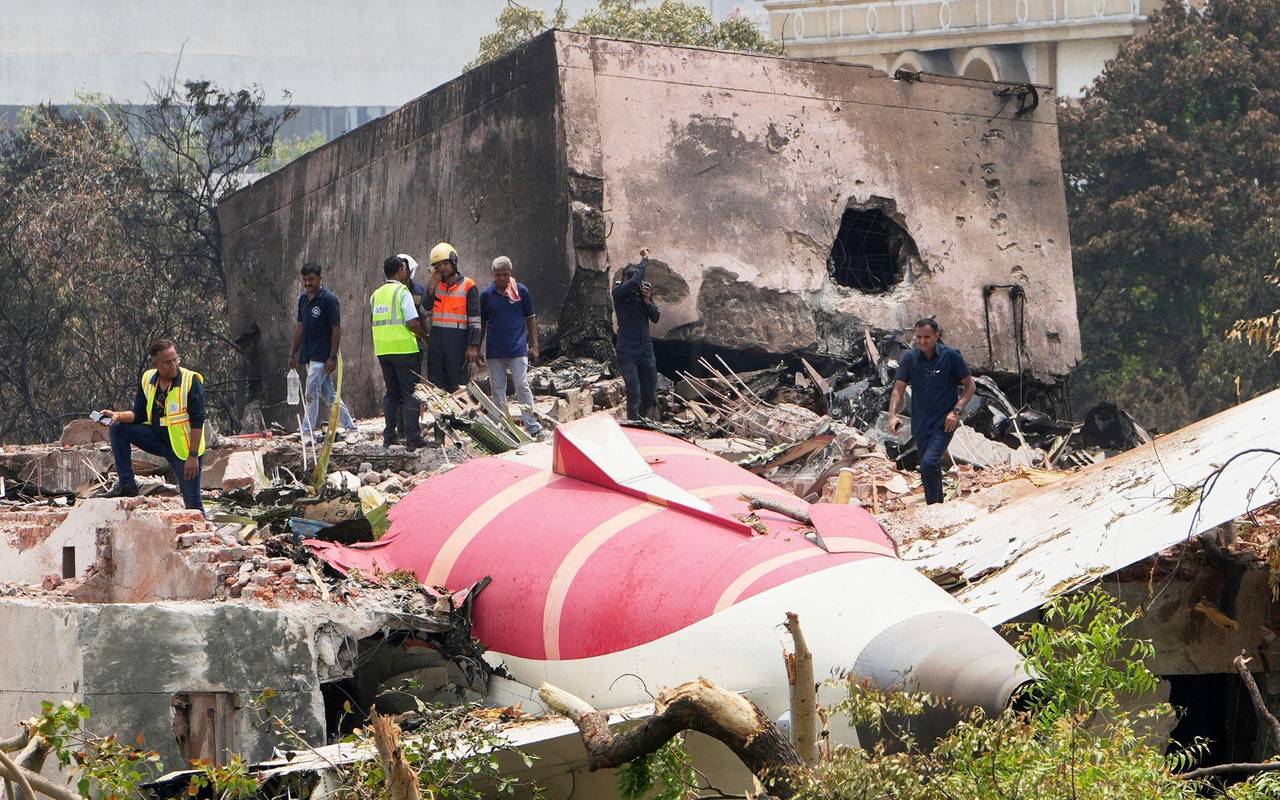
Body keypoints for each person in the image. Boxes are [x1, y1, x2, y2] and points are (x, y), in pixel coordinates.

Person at [98, 339, 207, 514]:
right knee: (118, 427)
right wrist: (117, 415)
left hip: (183, 450)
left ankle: (202, 527)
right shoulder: (148, 379)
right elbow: (139, 414)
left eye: (175, 359)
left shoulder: (190, 381)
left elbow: (198, 420)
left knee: (193, 504)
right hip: (156, 439)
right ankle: (127, 483)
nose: (174, 365)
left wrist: (193, 456)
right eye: (167, 362)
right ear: (156, 364)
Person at [887, 318, 977, 505]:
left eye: (927, 337)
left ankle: (934, 506)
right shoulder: (910, 358)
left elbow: (970, 386)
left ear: (937, 336)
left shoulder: (951, 356)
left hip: (945, 422)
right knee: (929, 467)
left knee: (929, 462)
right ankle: (937, 506)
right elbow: (898, 389)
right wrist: (893, 415)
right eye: (919, 337)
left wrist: (956, 411)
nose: (922, 341)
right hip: (920, 423)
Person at [288, 262, 359, 442]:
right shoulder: (303, 300)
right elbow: (299, 327)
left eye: (311, 279)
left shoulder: (329, 300)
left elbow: (337, 329)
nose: (308, 283)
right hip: (308, 355)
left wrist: (332, 356)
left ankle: (307, 432)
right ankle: (350, 426)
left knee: (311, 393)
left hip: (323, 356)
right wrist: (292, 353)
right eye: (305, 280)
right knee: (329, 395)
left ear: (320, 278)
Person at [480, 256, 543, 438]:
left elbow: (530, 318)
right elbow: (482, 323)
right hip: (495, 350)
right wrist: (477, 347)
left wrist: (535, 345)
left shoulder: (521, 291)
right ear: (493, 275)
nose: (501, 278)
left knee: (522, 385)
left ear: (510, 273)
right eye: (498, 275)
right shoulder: (487, 295)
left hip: (517, 348)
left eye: (505, 274)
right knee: (498, 389)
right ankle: (503, 427)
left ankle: (532, 426)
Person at [371, 255, 428, 450]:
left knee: (391, 393)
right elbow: (412, 322)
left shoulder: (376, 294)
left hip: (383, 350)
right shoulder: (402, 292)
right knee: (410, 393)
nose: (406, 272)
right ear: (400, 271)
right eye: (404, 269)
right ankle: (413, 438)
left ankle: (389, 436)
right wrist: (425, 337)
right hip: (404, 349)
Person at [423, 242, 482, 392]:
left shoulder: (468, 285)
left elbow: (475, 319)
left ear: (453, 262)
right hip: (437, 341)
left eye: (445, 263)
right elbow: (425, 308)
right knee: (436, 385)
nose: (442, 268)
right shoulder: (435, 286)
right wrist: (430, 288)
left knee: (458, 385)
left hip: (457, 341)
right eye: (438, 265)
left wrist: (474, 346)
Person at [612, 247, 661, 420]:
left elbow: (655, 317)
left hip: (645, 350)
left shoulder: (642, 295)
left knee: (649, 395)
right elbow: (633, 283)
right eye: (633, 279)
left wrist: (648, 302)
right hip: (627, 351)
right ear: (626, 279)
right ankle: (633, 425)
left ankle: (640, 421)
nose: (637, 285)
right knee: (634, 393)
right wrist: (644, 260)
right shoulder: (619, 292)